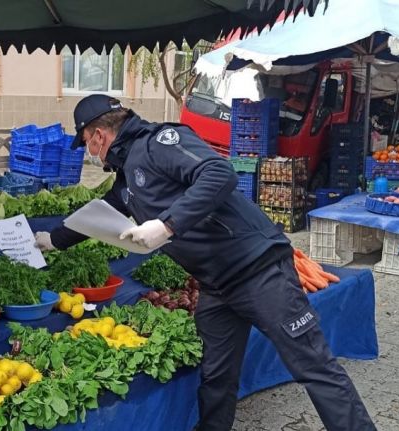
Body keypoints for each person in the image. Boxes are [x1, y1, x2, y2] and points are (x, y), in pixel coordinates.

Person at [34, 94, 376, 431]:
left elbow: (218, 173)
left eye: (88, 146)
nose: (90, 154)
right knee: (216, 375)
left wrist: (167, 223)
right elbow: (100, 214)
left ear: (98, 134)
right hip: (216, 285)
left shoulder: (160, 143)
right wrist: (54, 239)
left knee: (313, 366)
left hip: (259, 271)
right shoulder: (126, 177)